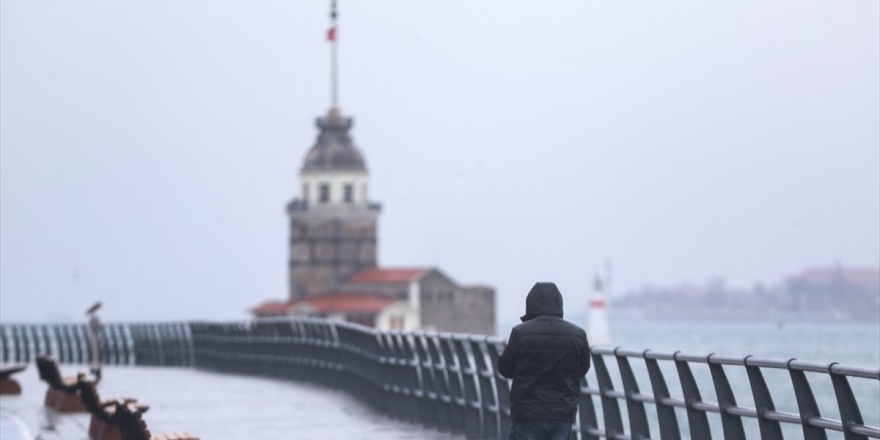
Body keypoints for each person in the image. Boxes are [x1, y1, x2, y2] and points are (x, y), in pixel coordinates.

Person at [498, 282, 591, 440]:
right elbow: (582, 369)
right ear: (559, 304)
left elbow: (505, 369)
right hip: (562, 414)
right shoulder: (577, 335)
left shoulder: (520, 333)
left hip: (527, 414)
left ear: (530, 305)